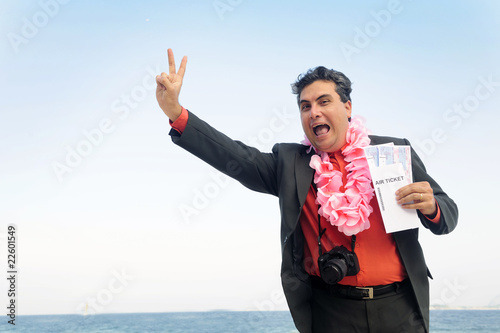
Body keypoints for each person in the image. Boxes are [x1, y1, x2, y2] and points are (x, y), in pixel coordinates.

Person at [155, 49, 458, 333]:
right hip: (330, 311)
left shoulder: (392, 152)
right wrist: (177, 113)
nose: (314, 112)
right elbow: (236, 157)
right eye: (305, 106)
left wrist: (432, 207)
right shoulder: (290, 164)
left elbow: (448, 214)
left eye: (324, 102)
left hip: (400, 307)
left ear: (347, 107)